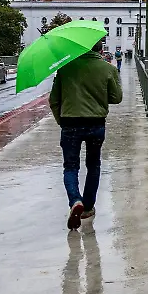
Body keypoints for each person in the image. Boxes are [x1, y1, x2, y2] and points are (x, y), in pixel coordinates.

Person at [49, 38, 123, 230]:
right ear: (100, 48)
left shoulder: (65, 68)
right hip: (96, 123)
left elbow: (53, 100)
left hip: (70, 123)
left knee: (71, 167)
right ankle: (88, 207)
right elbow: (117, 98)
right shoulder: (108, 68)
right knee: (94, 165)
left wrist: (62, 120)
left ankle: (75, 200)